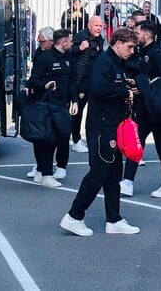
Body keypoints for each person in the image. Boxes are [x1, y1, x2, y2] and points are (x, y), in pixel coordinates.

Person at [60, 28, 141, 237]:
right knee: (98, 173)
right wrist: (125, 91)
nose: (132, 51)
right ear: (118, 42)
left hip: (114, 126)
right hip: (101, 127)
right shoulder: (104, 63)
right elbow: (98, 89)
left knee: (114, 174)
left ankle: (114, 219)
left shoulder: (118, 64)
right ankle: (74, 216)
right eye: (130, 47)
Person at [120, 21, 161, 198]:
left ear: (147, 34)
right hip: (143, 106)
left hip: (156, 107)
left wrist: (145, 86)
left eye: (137, 32)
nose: (134, 35)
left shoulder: (158, 53)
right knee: (135, 141)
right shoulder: (139, 52)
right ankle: (127, 181)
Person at [26, 29, 78, 187]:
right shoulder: (45, 58)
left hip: (62, 105)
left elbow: (71, 82)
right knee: (46, 139)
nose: (72, 43)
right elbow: (34, 79)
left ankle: (47, 170)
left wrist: (74, 100)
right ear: (63, 42)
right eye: (70, 41)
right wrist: (45, 85)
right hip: (46, 105)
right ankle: (45, 173)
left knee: (59, 137)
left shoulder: (69, 58)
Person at [69, 16, 105, 153]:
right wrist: (79, 48)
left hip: (94, 81)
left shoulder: (100, 39)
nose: (98, 29)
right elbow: (69, 51)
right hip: (81, 81)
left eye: (100, 26)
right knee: (77, 112)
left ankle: (92, 139)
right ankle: (76, 140)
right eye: (96, 26)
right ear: (89, 25)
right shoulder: (80, 37)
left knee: (94, 112)